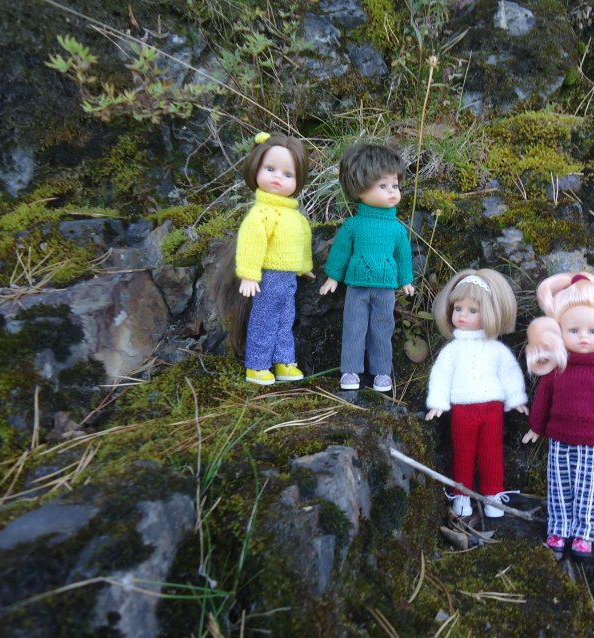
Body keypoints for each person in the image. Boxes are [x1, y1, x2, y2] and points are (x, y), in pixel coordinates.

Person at [522, 272, 594, 559]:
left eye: (592, 331)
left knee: (586, 488)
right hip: (558, 438)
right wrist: (536, 427)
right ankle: (558, 529)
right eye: (573, 331)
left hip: (591, 442)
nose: (583, 337)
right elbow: (542, 401)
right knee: (558, 485)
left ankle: (583, 534)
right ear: (559, 331)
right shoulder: (556, 373)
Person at [425, 269, 529, 518]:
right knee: (463, 453)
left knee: (492, 453)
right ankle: (462, 495)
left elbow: (509, 371)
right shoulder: (452, 351)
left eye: (473, 310)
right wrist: (438, 402)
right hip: (462, 411)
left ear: (490, 313)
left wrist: (516, 398)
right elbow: (441, 375)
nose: (462, 315)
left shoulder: (496, 349)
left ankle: (493, 496)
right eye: (458, 308)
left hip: (492, 410)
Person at [319, 143, 415, 392]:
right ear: (359, 189)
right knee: (354, 328)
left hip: (385, 289)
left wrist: (406, 280)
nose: (392, 191)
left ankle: (382, 372)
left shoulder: (397, 229)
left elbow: (403, 255)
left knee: (382, 329)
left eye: (395, 185)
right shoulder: (354, 225)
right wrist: (333, 276)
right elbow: (341, 251)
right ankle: (350, 370)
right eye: (383, 186)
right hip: (357, 287)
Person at [223, 131, 313, 385]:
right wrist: (249, 274)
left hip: (289, 278)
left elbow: (302, 241)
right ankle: (257, 365)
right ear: (256, 168)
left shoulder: (294, 215)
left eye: (288, 174)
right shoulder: (262, 213)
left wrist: (305, 266)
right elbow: (251, 243)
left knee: (285, 320)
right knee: (264, 320)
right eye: (270, 169)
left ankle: (284, 361)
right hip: (268, 277)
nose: (277, 177)